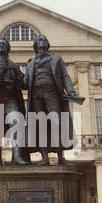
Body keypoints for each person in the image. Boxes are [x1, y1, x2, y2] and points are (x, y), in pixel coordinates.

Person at [25, 35, 84, 165]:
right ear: (35, 45)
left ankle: (61, 157)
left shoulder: (56, 59)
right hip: (36, 94)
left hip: (52, 92)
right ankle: (45, 158)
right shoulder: (30, 63)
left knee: (56, 123)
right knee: (41, 126)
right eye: (40, 40)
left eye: (45, 40)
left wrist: (71, 91)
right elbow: (25, 82)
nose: (43, 41)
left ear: (48, 44)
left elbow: (65, 76)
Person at [0, 38, 29, 166]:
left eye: (4, 44)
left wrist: (27, 74)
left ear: (8, 48)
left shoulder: (13, 65)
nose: (1, 45)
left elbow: (23, 83)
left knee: (16, 123)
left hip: (10, 98)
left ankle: (18, 156)